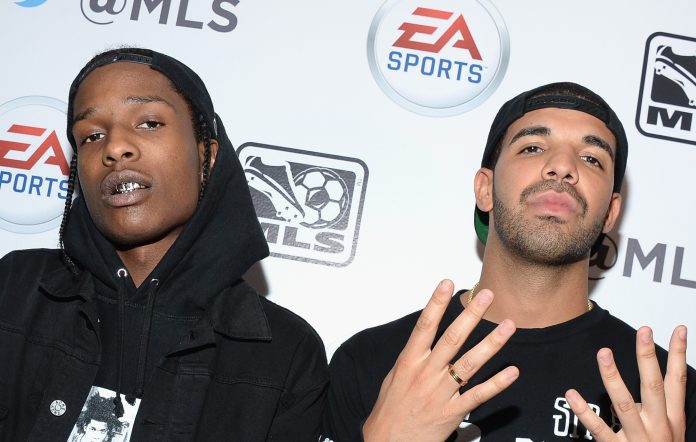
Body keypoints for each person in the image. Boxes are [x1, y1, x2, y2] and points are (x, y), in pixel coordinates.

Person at [321, 82, 696, 441]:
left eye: (591, 158)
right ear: (485, 189)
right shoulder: (376, 360)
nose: (562, 167)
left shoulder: (669, 398)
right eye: (533, 147)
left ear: (611, 213)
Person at [0, 47, 328, 441]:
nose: (115, 148)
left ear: (207, 155)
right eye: (92, 135)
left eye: (149, 123)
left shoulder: (285, 352)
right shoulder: (14, 290)